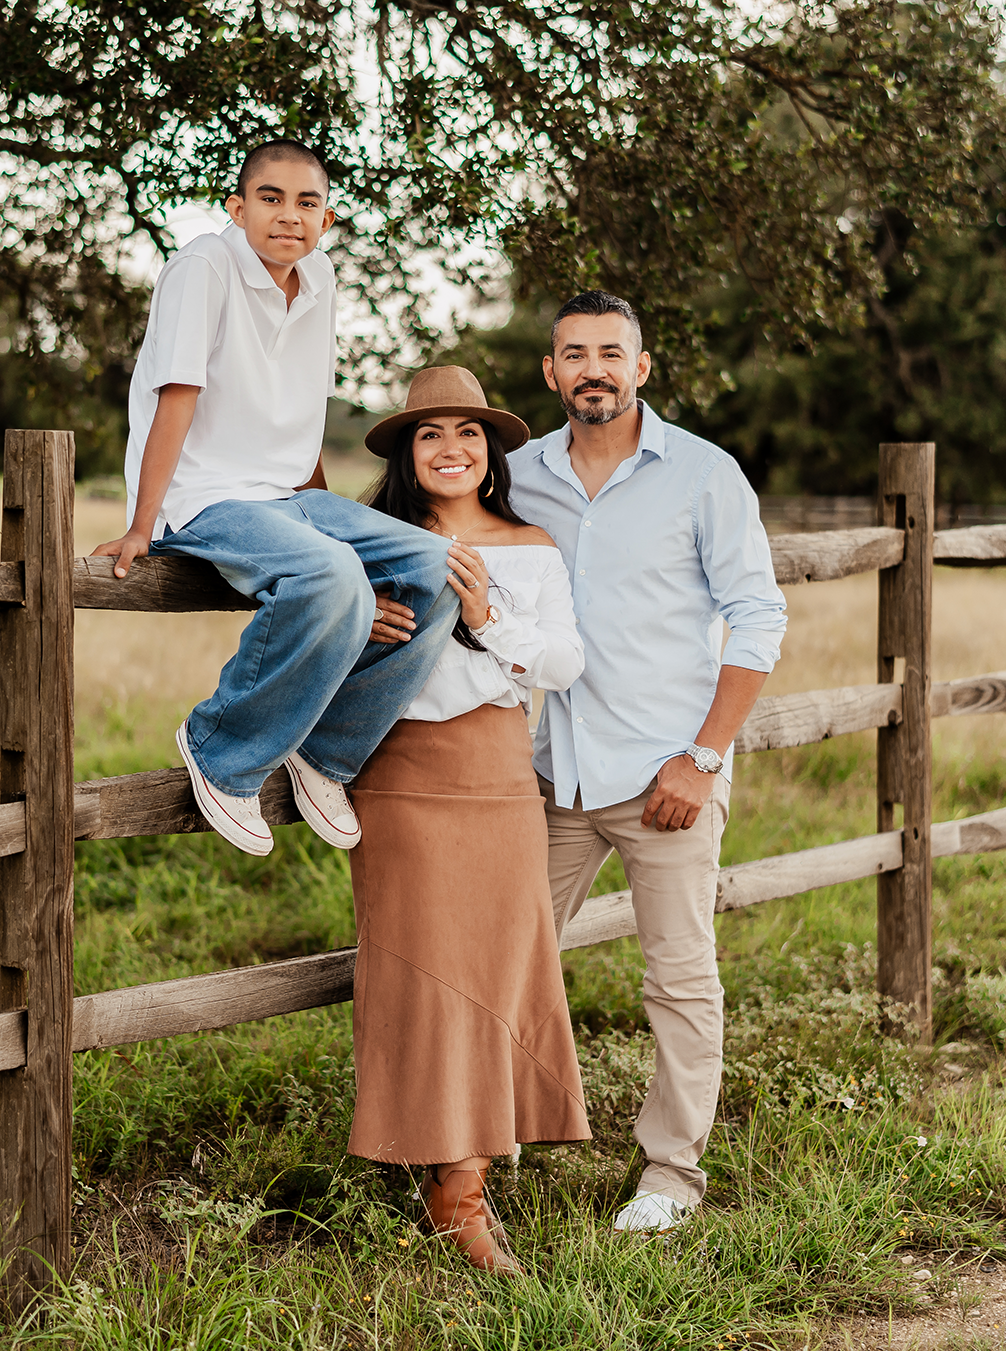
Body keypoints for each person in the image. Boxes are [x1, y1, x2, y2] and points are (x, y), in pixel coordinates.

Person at [89, 140, 459, 857]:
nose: (290, 216)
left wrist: (332, 523)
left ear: (326, 217)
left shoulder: (318, 277)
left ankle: (323, 750)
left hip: (289, 497)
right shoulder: (203, 267)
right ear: (238, 207)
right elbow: (178, 396)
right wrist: (143, 523)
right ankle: (222, 749)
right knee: (329, 578)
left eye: (307, 202)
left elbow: (301, 410)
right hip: (204, 496)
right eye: (271, 198)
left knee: (440, 565)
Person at [508, 291, 788, 1233]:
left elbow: (758, 618)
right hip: (553, 774)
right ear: (551, 372)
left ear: (642, 366)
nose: (594, 367)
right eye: (574, 352)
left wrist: (704, 758)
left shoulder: (705, 475)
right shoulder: (516, 478)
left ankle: (671, 1171)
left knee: (678, 974)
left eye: (611, 352)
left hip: (669, 774)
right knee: (504, 955)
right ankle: (484, 1139)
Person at [346, 366, 592, 1275]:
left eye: (469, 434)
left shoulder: (531, 544)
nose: (451, 449)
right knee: (424, 967)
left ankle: (465, 1186)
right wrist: (353, 614)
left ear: (491, 452)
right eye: (429, 434)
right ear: (409, 456)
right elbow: (299, 621)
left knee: (496, 968)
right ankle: (445, 1174)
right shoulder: (375, 543)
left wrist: (487, 614)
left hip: (497, 772)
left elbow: (562, 663)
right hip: (402, 775)